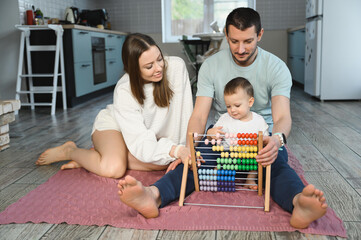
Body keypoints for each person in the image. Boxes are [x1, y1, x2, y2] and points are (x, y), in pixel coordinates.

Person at [117, 8, 328, 229]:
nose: (241, 49)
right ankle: (153, 195)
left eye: (248, 41)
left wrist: (277, 140)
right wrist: (191, 147)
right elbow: (199, 115)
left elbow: (283, 116)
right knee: (195, 164)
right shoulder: (210, 66)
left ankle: (298, 204)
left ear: (260, 34)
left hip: (261, 138)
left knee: (276, 164)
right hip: (223, 136)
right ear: (226, 35)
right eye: (234, 41)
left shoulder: (276, 68)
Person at [36, 33, 193, 179]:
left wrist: (184, 148)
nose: (159, 68)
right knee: (114, 168)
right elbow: (141, 143)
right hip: (115, 126)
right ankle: (71, 151)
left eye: (159, 59)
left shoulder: (176, 67)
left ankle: (98, 156)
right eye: (149, 66)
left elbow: (185, 114)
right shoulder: (124, 88)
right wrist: (175, 150)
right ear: (134, 70)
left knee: (163, 161)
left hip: (142, 134)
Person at [206, 77, 269, 189]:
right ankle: (215, 175)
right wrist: (211, 133)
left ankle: (250, 179)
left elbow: (266, 140)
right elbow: (212, 135)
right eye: (228, 106)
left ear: (250, 102)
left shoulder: (258, 121)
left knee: (259, 159)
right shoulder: (225, 119)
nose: (232, 110)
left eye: (237, 106)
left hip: (249, 157)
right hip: (229, 155)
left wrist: (261, 143)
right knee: (221, 160)